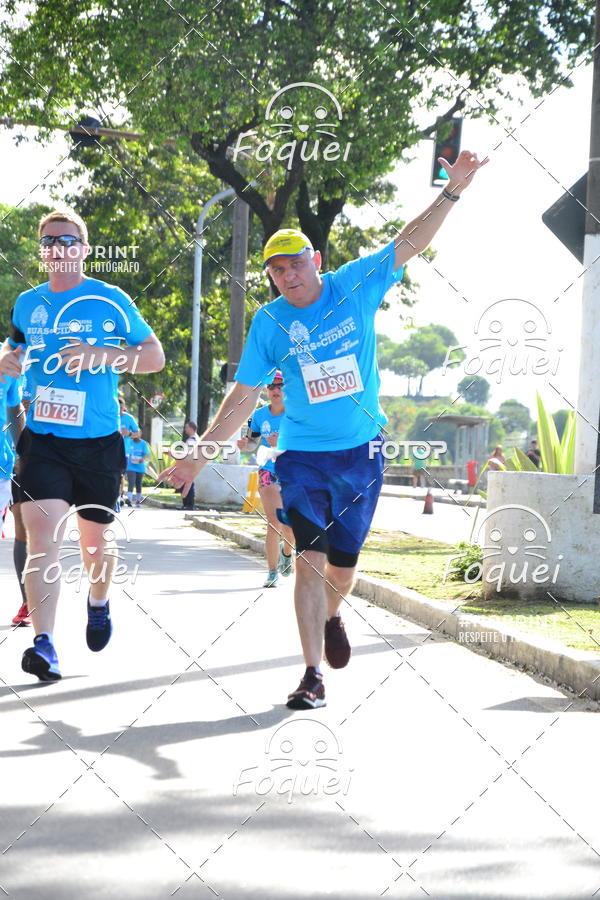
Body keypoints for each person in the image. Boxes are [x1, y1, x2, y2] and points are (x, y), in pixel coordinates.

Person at [161, 150, 487, 709]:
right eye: (276, 270)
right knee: (308, 561)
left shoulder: (353, 285)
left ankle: (335, 614)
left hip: (361, 453)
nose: (287, 275)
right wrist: (198, 455)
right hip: (301, 457)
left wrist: (451, 190)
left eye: (295, 264)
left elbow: (410, 240)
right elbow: (241, 399)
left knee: (343, 565)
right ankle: (312, 674)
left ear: (315, 260)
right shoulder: (271, 323)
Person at [0, 208, 164, 681]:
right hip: (44, 440)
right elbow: (14, 347)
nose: (59, 248)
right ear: (43, 249)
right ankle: (44, 644)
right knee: (42, 543)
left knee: (94, 547)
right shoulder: (28, 303)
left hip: (98, 443)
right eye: (50, 241)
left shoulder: (110, 300)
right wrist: (8, 360)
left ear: (84, 249)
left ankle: (98, 600)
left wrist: (107, 354)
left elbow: (154, 356)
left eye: (68, 240)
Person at [237, 371, 295, 587]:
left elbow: (307, 443)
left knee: (289, 525)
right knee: (274, 521)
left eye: (280, 386)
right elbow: (252, 443)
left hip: (293, 472)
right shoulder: (259, 416)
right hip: (268, 471)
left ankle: (286, 553)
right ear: (266, 390)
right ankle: (272, 572)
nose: (276, 390)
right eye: (271, 387)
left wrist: (284, 441)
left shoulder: (296, 414)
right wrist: (246, 446)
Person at [0, 374, 28, 626]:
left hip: (2, 468)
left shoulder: (7, 358)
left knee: (25, 530)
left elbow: (15, 406)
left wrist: (24, 451)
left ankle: (28, 601)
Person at [124, 429, 150, 507]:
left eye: (138, 433)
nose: (136, 434)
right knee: (131, 482)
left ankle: (138, 501)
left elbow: (146, 453)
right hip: (130, 466)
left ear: (140, 434)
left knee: (138, 483)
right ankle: (129, 500)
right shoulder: (129, 442)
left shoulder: (143, 443)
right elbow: (126, 452)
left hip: (140, 466)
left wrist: (142, 459)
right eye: (135, 433)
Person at [181, 420, 200, 511]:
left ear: (191, 428)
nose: (185, 430)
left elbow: (189, 454)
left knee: (188, 484)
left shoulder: (192, 440)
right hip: (192, 465)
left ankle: (189, 505)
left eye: (186, 427)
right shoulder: (195, 438)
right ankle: (187, 504)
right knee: (188, 483)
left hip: (190, 465)